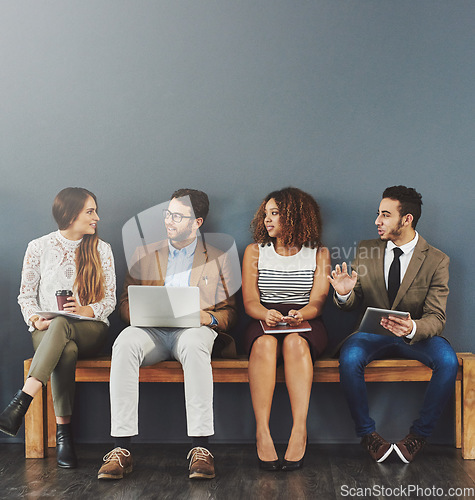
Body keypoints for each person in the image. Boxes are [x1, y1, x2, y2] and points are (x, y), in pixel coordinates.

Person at [97, 189, 237, 481]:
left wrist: (207, 317)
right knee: (123, 343)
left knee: (198, 343)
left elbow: (229, 311)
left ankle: (201, 448)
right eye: (168, 213)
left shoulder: (219, 256)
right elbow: (124, 303)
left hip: (193, 332)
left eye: (178, 216)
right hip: (151, 331)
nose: (169, 221)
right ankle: (121, 449)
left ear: (196, 222)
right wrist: (137, 313)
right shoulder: (144, 254)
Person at [328, 185, 458, 463]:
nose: (377, 221)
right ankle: (368, 436)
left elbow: (436, 318)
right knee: (350, 357)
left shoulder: (437, 260)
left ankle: (418, 436)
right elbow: (353, 303)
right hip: (371, 335)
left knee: (448, 360)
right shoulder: (366, 250)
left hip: (415, 337)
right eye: (378, 214)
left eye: (385, 215)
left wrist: (412, 328)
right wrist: (344, 292)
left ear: (407, 219)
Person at [0, 187, 116, 468]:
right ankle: (65, 436)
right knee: (65, 349)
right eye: (90, 211)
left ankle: (23, 398)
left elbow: (110, 298)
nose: (96, 217)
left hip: (91, 329)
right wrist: (35, 319)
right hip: (46, 330)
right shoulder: (38, 247)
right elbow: (25, 296)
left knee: (65, 322)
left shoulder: (102, 249)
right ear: (70, 214)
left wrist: (85, 309)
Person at [242, 187, 330, 471]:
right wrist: (265, 314)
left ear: (296, 216)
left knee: (294, 343)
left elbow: (318, 300)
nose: (268, 220)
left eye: (276, 213)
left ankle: (299, 430)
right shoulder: (255, 252)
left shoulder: (319, 253)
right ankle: (262, 432)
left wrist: (299, 315)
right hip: (263, 320)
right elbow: (250, 302)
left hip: (306, 322)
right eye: (266, 214)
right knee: (265, 344)